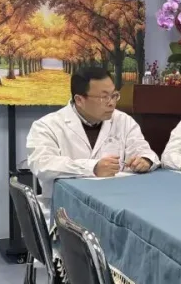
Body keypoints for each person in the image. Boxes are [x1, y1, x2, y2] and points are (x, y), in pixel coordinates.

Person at [26, 66, 159, 218]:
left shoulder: (123, 121)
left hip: (116, 207)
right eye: (104, 97)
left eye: (114, 95)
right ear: (79, 100)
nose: (111, 103)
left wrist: (145, 160)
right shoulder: (47, 126)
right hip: (66, 212)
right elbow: (42, 165)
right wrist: (93, 168)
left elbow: (143, 150)